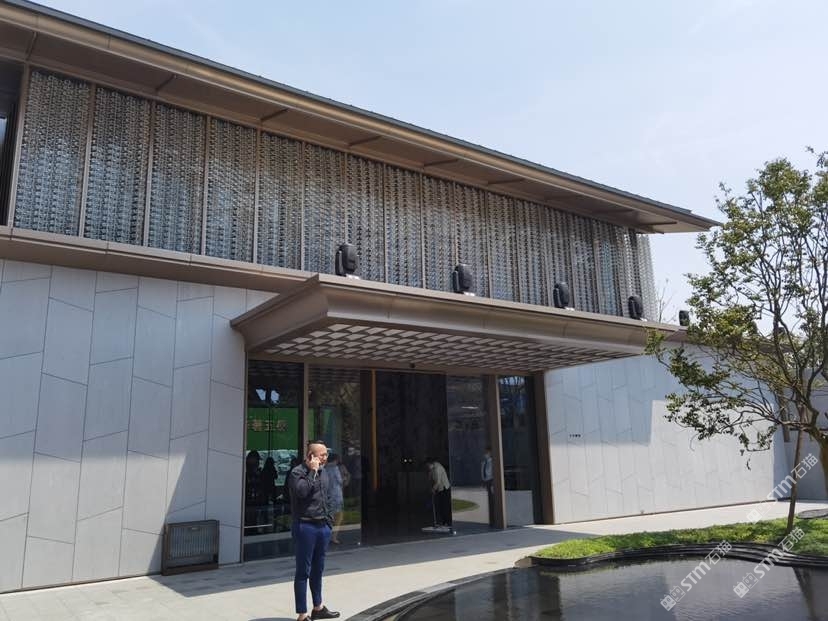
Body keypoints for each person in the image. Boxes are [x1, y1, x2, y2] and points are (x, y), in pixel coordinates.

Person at [288, 441, 340, 621]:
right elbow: (302, 492)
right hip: (305, 526)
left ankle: (318, 608)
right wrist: (312, 471)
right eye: (322, 455)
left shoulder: (325, 473)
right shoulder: (297, 473)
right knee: (303, 571)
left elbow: (327, 497)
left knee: (318, 569)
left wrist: (329, 522)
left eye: (326, 454)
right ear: (310, 456)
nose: (325, 457)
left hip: (322, 526)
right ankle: (302, 614)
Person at [324, 453, 345, 544]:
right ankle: (334, 537)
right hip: (336, 495)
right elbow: (340, 481)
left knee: (328, 516)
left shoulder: (324, 468)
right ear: (336, 460)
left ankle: (326, 536)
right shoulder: (335, 468)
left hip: (327, 495)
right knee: (339, 517)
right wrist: (345, 478)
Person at [426, 457, 452, 527]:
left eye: (428, 465)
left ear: (431, 463)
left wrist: (433, 489)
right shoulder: (432, 469)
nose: (428, 467)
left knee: (445, 506)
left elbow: (438, 482)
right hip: (439, 489)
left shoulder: (438, 468)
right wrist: (431, 487)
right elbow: (431, 479)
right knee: (440, 506)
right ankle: (443, 522)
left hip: (445, 489)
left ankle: (448, 522)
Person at [481, 446, 494, 525]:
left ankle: (493, 518)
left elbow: (493, 473)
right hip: (486, 482)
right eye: (485, 453)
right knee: (487, 501)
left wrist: (492, 484)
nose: (485, 454)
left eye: (487, 453)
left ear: (490, 453)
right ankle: (489, 518)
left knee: (491, 501)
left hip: (491, 481)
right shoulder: (484, 462)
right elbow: (483, 473)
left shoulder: (492, 462)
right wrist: (483, 481)